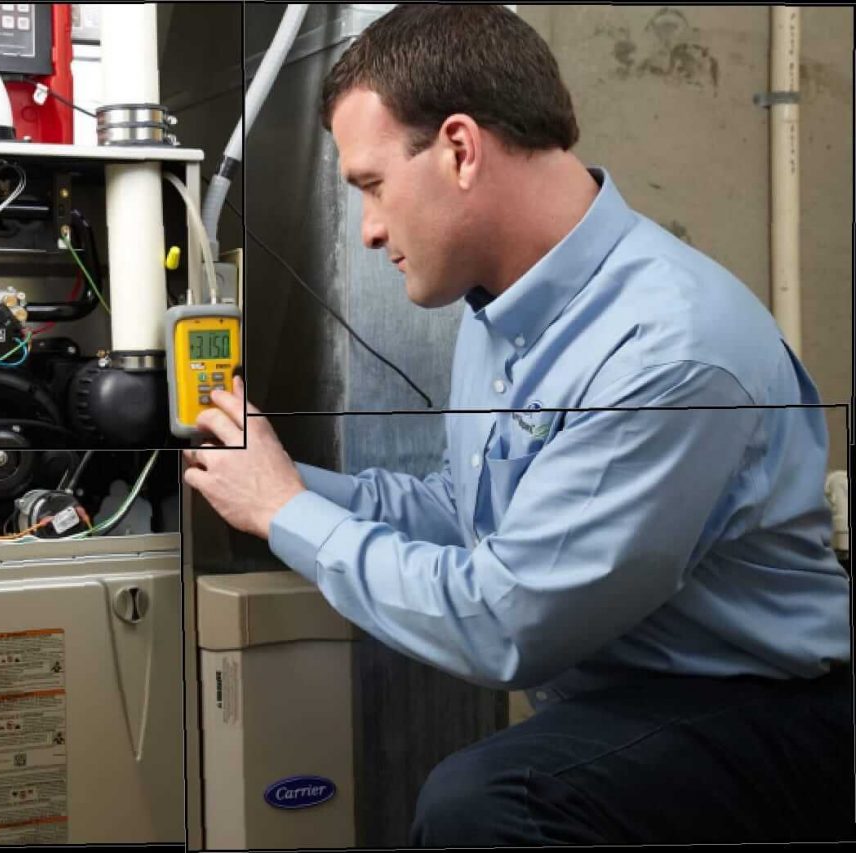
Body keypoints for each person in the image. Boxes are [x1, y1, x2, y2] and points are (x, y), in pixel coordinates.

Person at [183, 4, 852, 846]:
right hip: (638, 700)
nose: (371, 228)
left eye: (372, 185)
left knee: (489, 799)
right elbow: (470, 512)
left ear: (461, 150)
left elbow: (507, 621)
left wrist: (285, 512)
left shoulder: (667, 351)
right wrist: (260, 478)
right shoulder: (503, 311)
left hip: (768, 712)